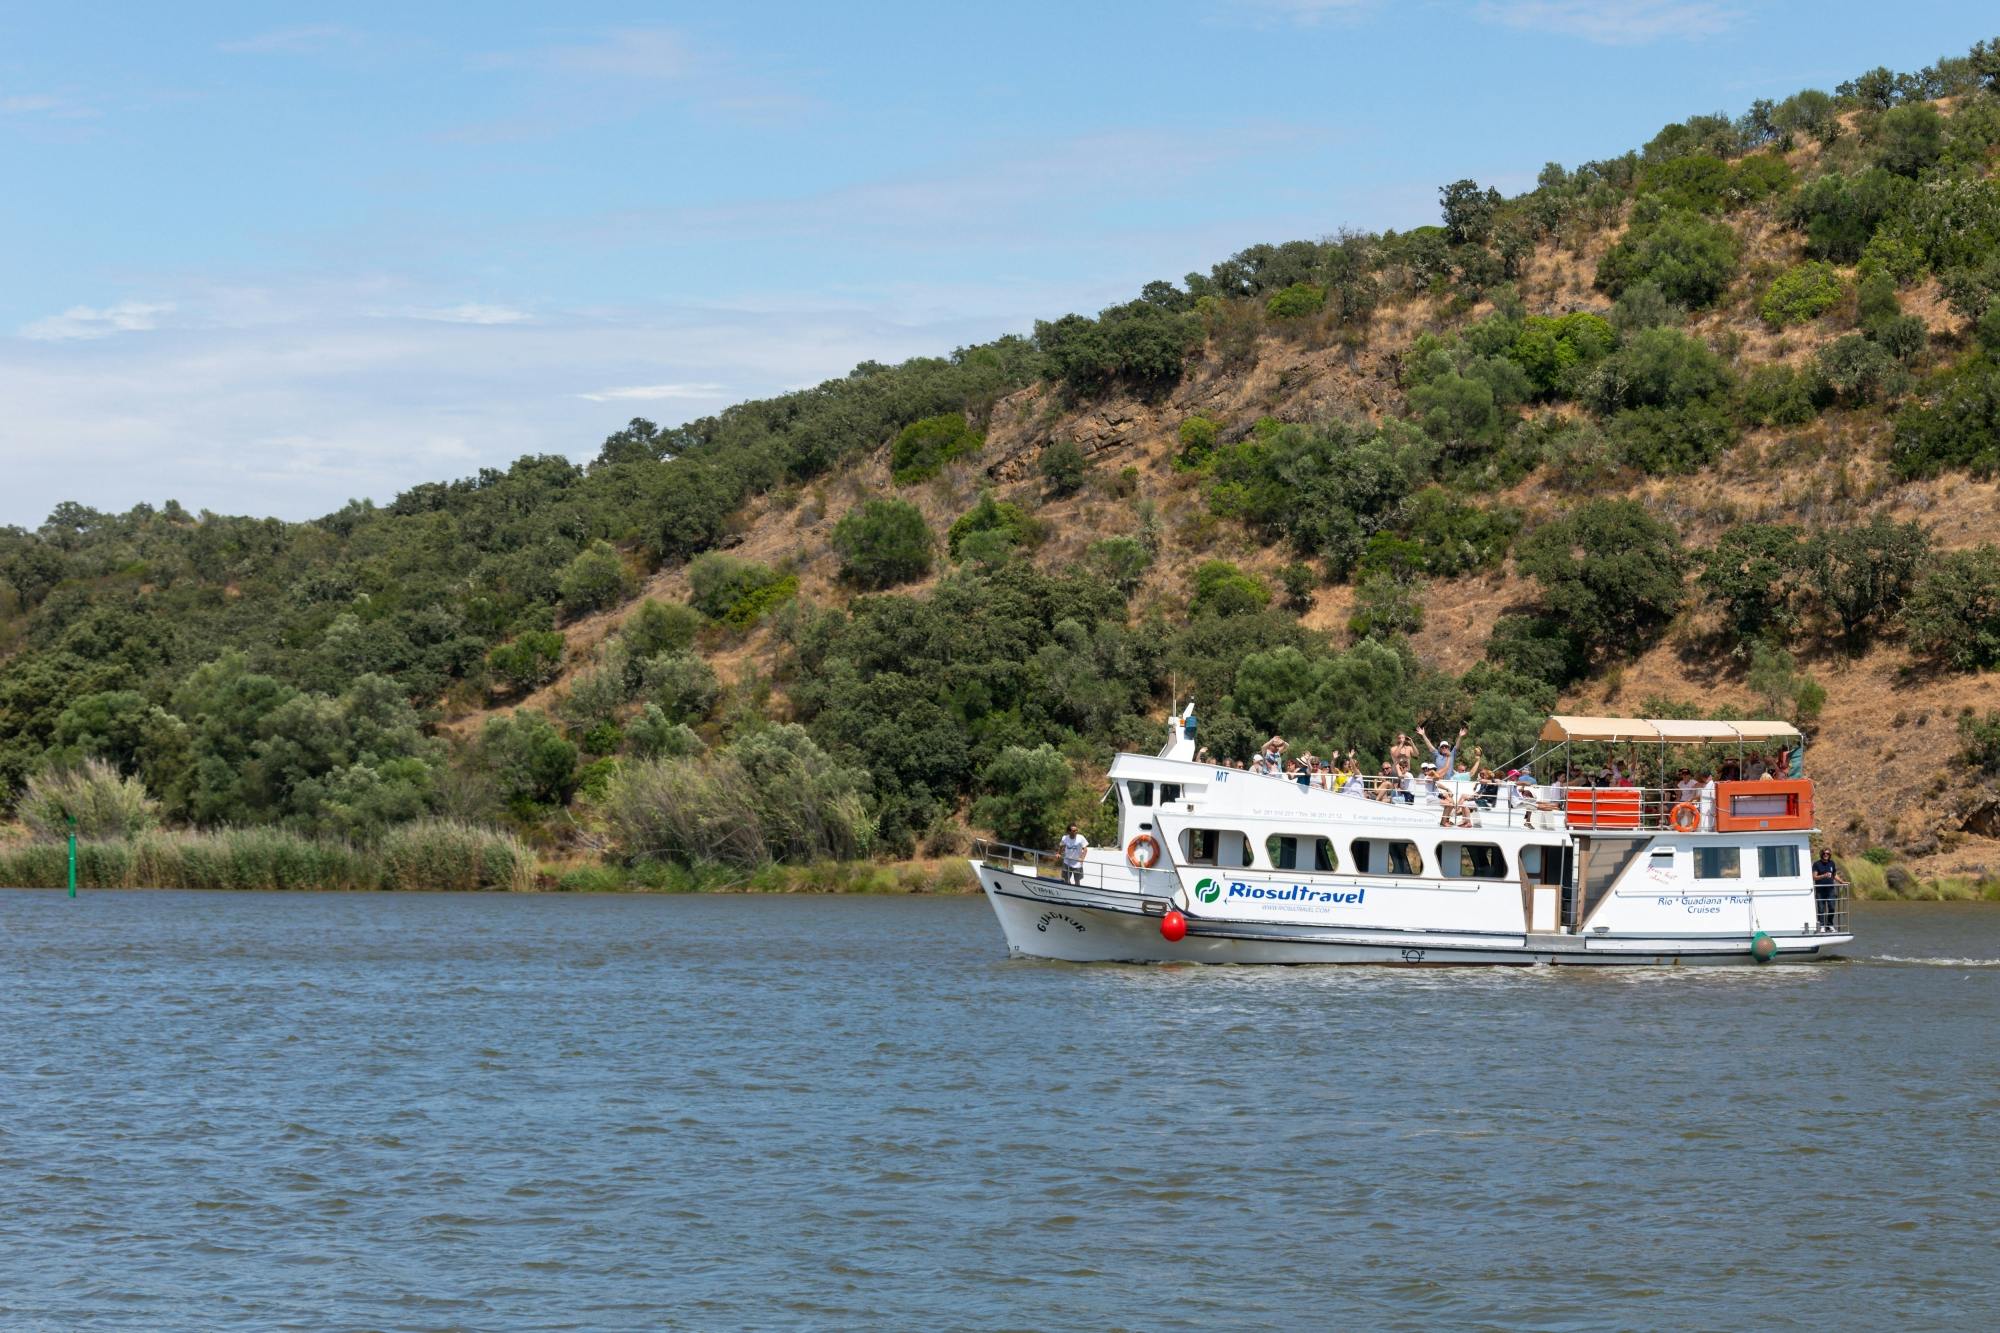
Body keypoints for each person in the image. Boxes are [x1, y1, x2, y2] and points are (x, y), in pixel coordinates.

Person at [1811, 846, 1840, 932]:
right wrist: (1824, 875)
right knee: (1821, 908)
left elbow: (1834, 875)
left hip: (1830, 889)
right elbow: (1814, 877)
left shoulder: (1832, 863)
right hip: (1820, 890)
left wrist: (1842, 881)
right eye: (1824, 853)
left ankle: (1830, 924)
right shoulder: (1817, 864)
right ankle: (1822, 926)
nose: (1825, 855)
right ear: (1821, 854)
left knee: (1832, 907)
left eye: (1827, 853)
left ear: (1830, 855)